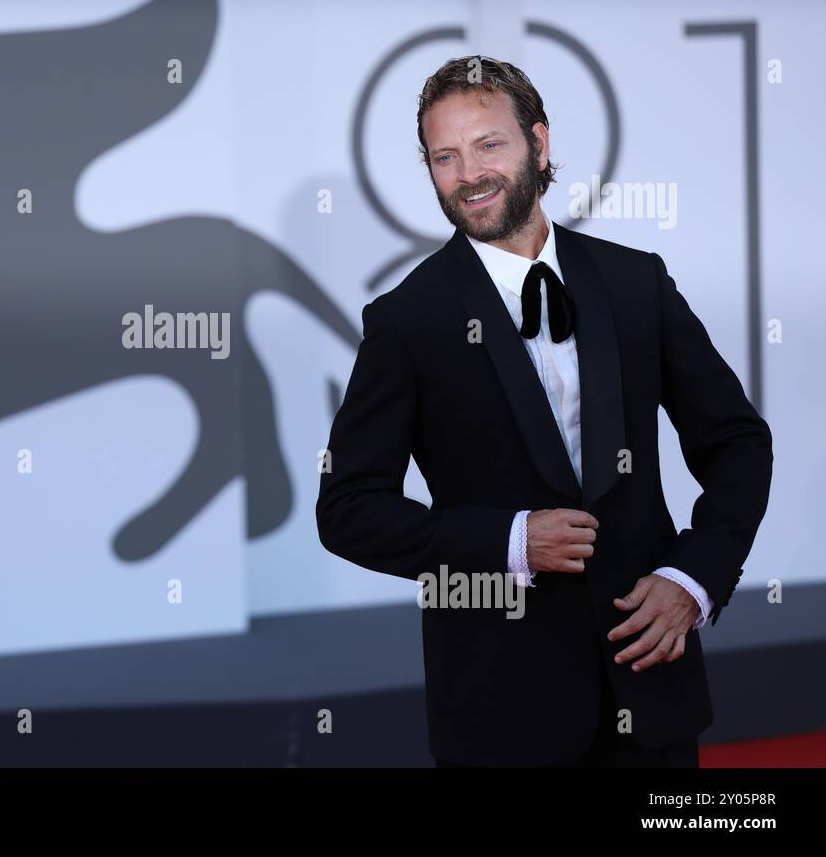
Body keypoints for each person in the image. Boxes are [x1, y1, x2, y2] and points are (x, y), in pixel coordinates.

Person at [316, 56, 773, 767]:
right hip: (502, 714)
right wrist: (507, 542)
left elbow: (738, 442)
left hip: (651, 693)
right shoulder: (408, 320)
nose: (468, 174)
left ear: (539, 142)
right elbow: (346, 508)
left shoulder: (634, 283)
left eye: (488, 145)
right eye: (445, 156)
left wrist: (695, 577)